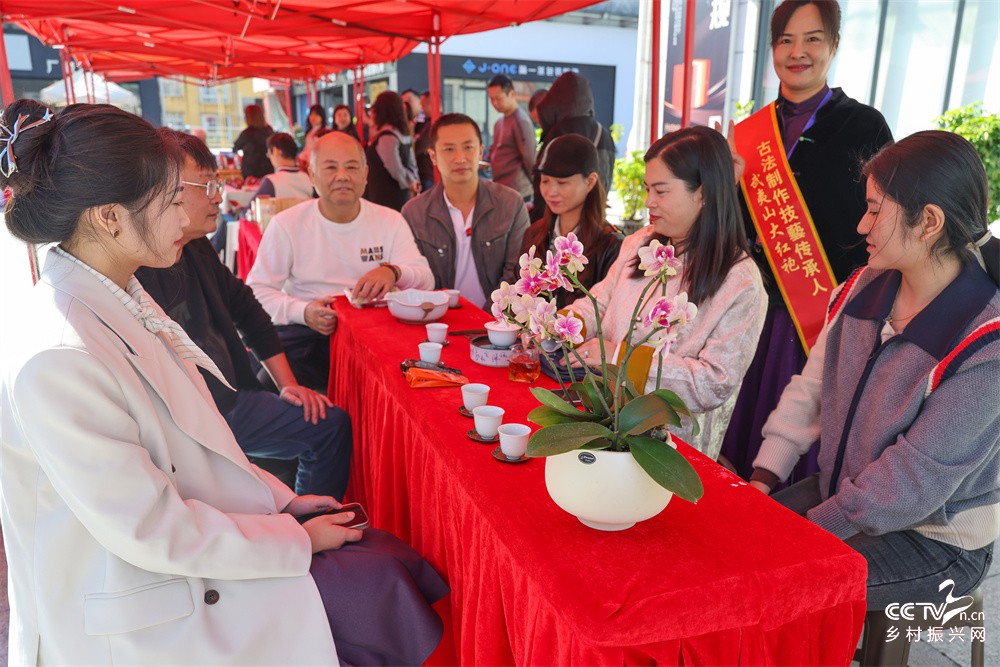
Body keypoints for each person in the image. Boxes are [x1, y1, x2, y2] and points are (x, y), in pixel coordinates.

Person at [0, 100, 447, 666]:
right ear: (109, 217)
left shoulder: (120, 296)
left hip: (189, 555)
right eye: (169, 199)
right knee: (373, 593)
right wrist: (293, 538)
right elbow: (151, 528)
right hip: (138, 610)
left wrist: (283, 501)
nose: (186, 214)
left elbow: (201, 443)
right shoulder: (58, 355)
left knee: (381, 567)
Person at [749, 131, 1000, 610]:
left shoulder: (986, 341)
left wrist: (810, 530)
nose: (862, 225)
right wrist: (763, 477)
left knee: (772, 591)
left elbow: (910, 482)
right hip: (847, 497)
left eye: (875, 209)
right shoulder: (861, 289)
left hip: (934, 540)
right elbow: (813, 389)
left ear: (928, 221)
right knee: (736, 550)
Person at [720, 0, 893, 481]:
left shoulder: (865, 126)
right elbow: (729, 232)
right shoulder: (747, 135)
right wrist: (722, 190)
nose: (798, 52)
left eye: (813, 39)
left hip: (821, 318)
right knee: (735, 443)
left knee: (795, 449)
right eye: (785, 40)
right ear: (772, 48)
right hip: (749, 314)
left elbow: (880, 220)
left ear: (834, 45)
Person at [137, 130, 349, 499]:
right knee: (330, 426)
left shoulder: (196, 246)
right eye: (205, 185)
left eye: (217, 183)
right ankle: (311, 528)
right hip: (205, 416)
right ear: (162, 189)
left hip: (231, 390)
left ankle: (301, 512)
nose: (218, 197)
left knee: (314, 405)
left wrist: (288, 384)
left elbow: (248, 309)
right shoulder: (138, 271)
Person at [565, 127, 766, 460]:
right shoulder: (640, 242)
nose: (648, 202)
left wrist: (621, 359)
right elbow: (601, 301)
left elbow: (715, 382)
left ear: (703, 193)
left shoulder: (740, 281)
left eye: (661, 191)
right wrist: (563, 324)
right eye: (647, 189)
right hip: (604, 420)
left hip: (670, 451)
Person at [247, 131, 434, 390]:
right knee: (267, 400)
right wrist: (303, 311)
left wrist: (393, 272)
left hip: (377, 340)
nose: (342, 176)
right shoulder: (287, 224)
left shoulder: (389, 220)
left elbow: (426, 280)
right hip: (308, 338)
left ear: (366, 174)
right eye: (331, 167)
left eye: (351, 167)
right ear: (312, 175)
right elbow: (256, 292)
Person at [402, 113, 530, 309]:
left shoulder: (511, 204)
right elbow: (414, 279)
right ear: (433, 156)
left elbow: (518, 273)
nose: (460, 158)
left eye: (468, 147)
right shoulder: (414, 213)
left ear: (480, 152)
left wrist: (484, 322)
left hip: (495, 326)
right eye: (449, 149)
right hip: (438, 324)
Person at [520, 133, 622, 308]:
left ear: (590, 182)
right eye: (545, 181)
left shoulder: (611, 245)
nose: (551, 191)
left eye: (562, 182)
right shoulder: (534, 234)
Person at [533, 72, 615, 221]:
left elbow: (544, 180)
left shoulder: (558, 133)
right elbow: (606, 180)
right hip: (594, 219)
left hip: (560, 223)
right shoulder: (603, 133)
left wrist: (539, 222)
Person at [362, 91, 419, 211]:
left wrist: (409, 182)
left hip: (385, 197)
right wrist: (413, 180)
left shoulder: (387, 137)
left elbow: (395, 168)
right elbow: (411, 163)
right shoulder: (401, 134)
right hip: (397, 197)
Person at [486, 74, 536, 203]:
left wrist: (536, 185)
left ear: (512, 94)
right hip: (501, 188)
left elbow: (529, 158)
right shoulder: (499, 122)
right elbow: (494, 150)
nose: (495, 103)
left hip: (518, 192)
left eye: (498, 98)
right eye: (491, 99)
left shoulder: (521, 121)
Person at [250, 132, 315, 203]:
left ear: (276, 151)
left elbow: (250, 209)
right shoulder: (307, 178)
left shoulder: (271, 181)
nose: (269, 158)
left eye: (269, 154)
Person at [233, 103, 274, 179]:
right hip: (268, 169)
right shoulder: (269, 130)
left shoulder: (247, 133)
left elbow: (235, 148)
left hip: (250, 171)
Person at [298, 103, 327, 169]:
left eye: (316, 114)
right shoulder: (309, 132)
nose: (313, 117)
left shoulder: (325, 132)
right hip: (308, 165)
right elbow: (307, 149)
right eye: (311, 114)